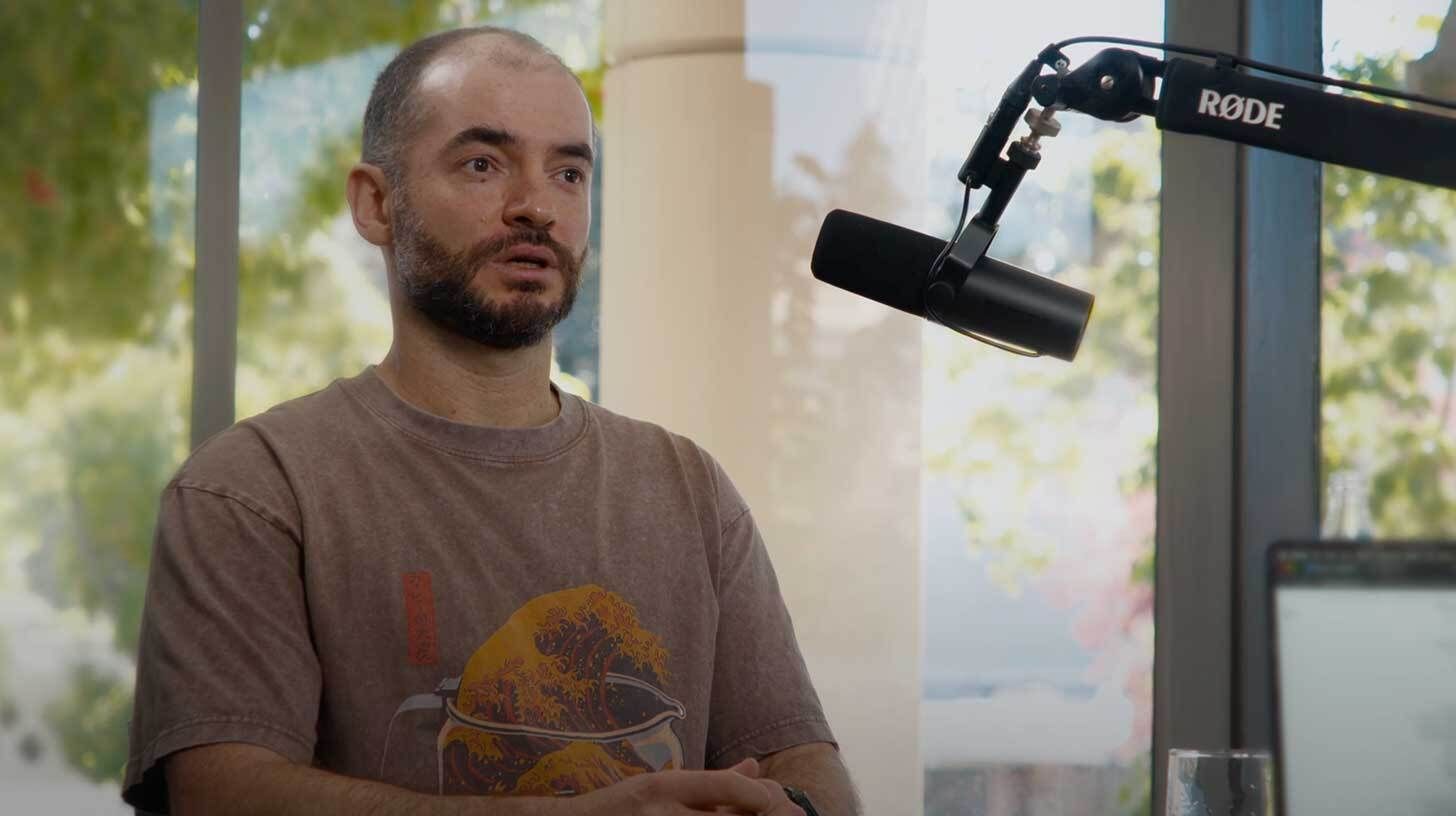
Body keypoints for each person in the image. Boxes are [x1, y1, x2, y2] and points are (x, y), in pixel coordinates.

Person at [121, 25, 860, 816]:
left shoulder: (689, 489)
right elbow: (222, 794)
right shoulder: (254, 490)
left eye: (568, 173)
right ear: (376, 204)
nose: (536, 207)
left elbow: (805, 766)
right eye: (483, 164)